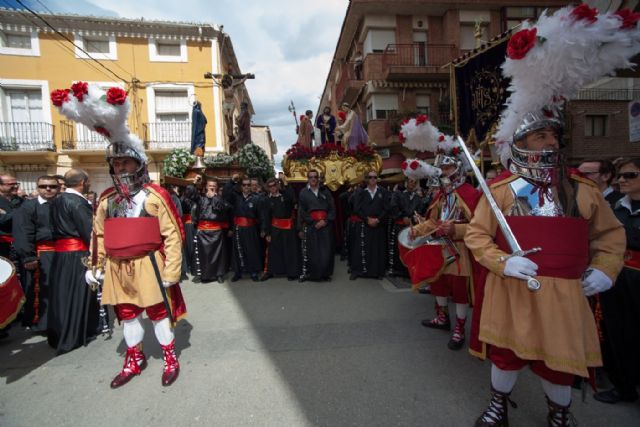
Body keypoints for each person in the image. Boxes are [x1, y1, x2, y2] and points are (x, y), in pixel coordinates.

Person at [466, 112, 625, 425]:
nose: (551, 142)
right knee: (505, 353)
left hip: (565, 293)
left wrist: (605, 268)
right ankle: (499, 404)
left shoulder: (583, 190)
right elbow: (476, 234)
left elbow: (609, 235)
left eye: (554, 135)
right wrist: (503, 261)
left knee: (560, 360)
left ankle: (559, 413)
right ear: (521, 143)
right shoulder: (500, 190)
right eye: (541, 136)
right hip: (512, 288)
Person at [52, 81, 187, 387]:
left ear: (138, 165)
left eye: (126, 161)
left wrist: (172, 271)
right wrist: (96, 268)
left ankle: (169, 357)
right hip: (117, 267)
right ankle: (134, 359)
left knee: (156, 313)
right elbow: (98, 235)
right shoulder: (106, 198)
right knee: (126, 315)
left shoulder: (156, 196)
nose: (121, 167)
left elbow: (173, 235)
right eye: (116, 163)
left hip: (148, 265)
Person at [411, 152, 480, 351]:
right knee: (438, 284)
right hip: (439, 248)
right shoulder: (442, 194)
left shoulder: (470, 193)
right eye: (443, 169)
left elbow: (480, 226)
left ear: (458, 169)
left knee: (459, 291)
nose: (444, 172)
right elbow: (433, 221)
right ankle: (442, 318)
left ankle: (460, 328)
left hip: (459, 250)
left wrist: (457, 229)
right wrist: (418, 230)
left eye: (448, 168)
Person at [593, 158, 640, 404]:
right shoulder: (616, 207)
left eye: (630, 175)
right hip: (619, 277)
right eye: (621, 175)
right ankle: (624, 386)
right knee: (619, 333)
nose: (623, 180)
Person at [47, 169, 99, 355]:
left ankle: (60, 332)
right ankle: (75, 333)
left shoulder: (56, 200)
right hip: (77, 255)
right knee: (77, 294)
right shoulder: (77, 202)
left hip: (61, 255)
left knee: (63, 295)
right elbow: (89, 232)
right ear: (83, 182)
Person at [12, 175, 58, 331]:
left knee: (58, 289)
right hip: (40, 254)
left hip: (62, 253)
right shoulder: (27, 207)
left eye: (52, 186)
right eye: (44, 186)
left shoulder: (63, 204)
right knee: (41, 290)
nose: (48, 189)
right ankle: (41, 323)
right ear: (38, 188)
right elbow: (23, 233)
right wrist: (28, 257)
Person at [349, 171, 390, 280]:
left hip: (378, 223)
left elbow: (386, 209)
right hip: (364, 223)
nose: (372, 179)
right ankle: (358, 271)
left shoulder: (384, 192)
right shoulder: (361, 192)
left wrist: (378, 219)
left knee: (377, 248)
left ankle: (377, 271)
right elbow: (357, 208)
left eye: (374, 177)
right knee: (361, 248)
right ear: (366, 179)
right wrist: (367, 219)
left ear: (377, 179)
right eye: (370, 177)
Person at [297, 169, 335, 282]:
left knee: (326, 251)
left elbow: (332, 208)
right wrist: (312, 223)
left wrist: (325, 221)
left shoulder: (325, 191)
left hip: (325, 225)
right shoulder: (303, 192)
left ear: (318, 178)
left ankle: (325, 274)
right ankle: (313, 275)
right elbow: (302, 211)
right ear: (307, 179)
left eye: (315, 177)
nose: (313, 179)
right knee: (313, 251)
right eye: (310, 177)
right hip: (311, 225)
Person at [260, 176, 299, 281]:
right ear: (267, 188)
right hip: (275, 228)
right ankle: (270, 271)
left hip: (288, 228)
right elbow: (265, 217)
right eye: (270, 186)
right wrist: (267, 233)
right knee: (273, 251)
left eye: (274, 185)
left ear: (277, 185)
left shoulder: (285, 196)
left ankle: (292, 272)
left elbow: (293, 199)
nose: (272, 188)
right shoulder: (266, 200)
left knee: (290, 251)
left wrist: (286, 185)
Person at [224, 175, 263, 281]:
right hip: (238, 228)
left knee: (252, 250)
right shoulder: (236, 197)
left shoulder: (256, 199)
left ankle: (253, 272)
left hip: (251, 229)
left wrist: (263, 229)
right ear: (241, 186)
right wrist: (232, 180)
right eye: (244, 185)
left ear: (251, 186)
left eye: (248, 185)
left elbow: (261, 216)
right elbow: (226, 193)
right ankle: (238, 272)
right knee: (237, 250)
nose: (246, 187)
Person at [193, 178, 231, 284]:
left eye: (214, 186)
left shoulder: (220, 198)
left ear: (217, 187)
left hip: (216, 232)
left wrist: (214, 197)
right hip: (202, 231)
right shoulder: (201, 198)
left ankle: (218, 274)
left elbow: (223, 208)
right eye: (210, 185)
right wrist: (195, 183)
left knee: (218, 256)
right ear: (206, 187)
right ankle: (202, 275)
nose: (212, 187)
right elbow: (191, 195)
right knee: (203, 255)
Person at [181, 184, 200, 277]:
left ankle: (188, 265)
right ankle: (193, 265)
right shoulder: (195, 200)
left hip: (185, 225)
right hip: (192, 225)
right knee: (192, 245)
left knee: (187, 246)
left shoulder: (182, 199)